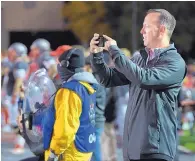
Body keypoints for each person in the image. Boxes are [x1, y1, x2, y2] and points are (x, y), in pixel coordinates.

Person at [90, 9, 186, 161]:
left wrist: (114, 50)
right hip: (134, 149)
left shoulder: (175, 62)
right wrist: (96, 55)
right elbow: (108, 79)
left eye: (146, 26)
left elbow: (144, 78)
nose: (141, 31)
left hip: (155, 149)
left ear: (161, 30)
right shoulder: (140, 59)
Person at [43, 48, 99, 161]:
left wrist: (54, 152)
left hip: (69, 152)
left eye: (59, 64)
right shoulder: (87, 86)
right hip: (83, 148)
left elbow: (65, 128)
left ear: (65, 65)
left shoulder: (70, 91)